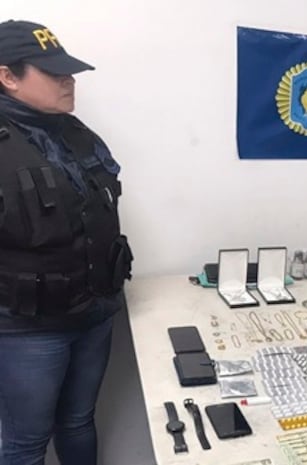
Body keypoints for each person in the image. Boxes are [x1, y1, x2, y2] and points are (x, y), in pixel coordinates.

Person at [0, 20, 132, 464]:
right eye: (54, 72)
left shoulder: (76, 133)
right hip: (28, 329)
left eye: (69, 71)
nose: (69, 80)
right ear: (7, 76)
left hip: (94, 312)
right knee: (26, 442)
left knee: (78, 421)